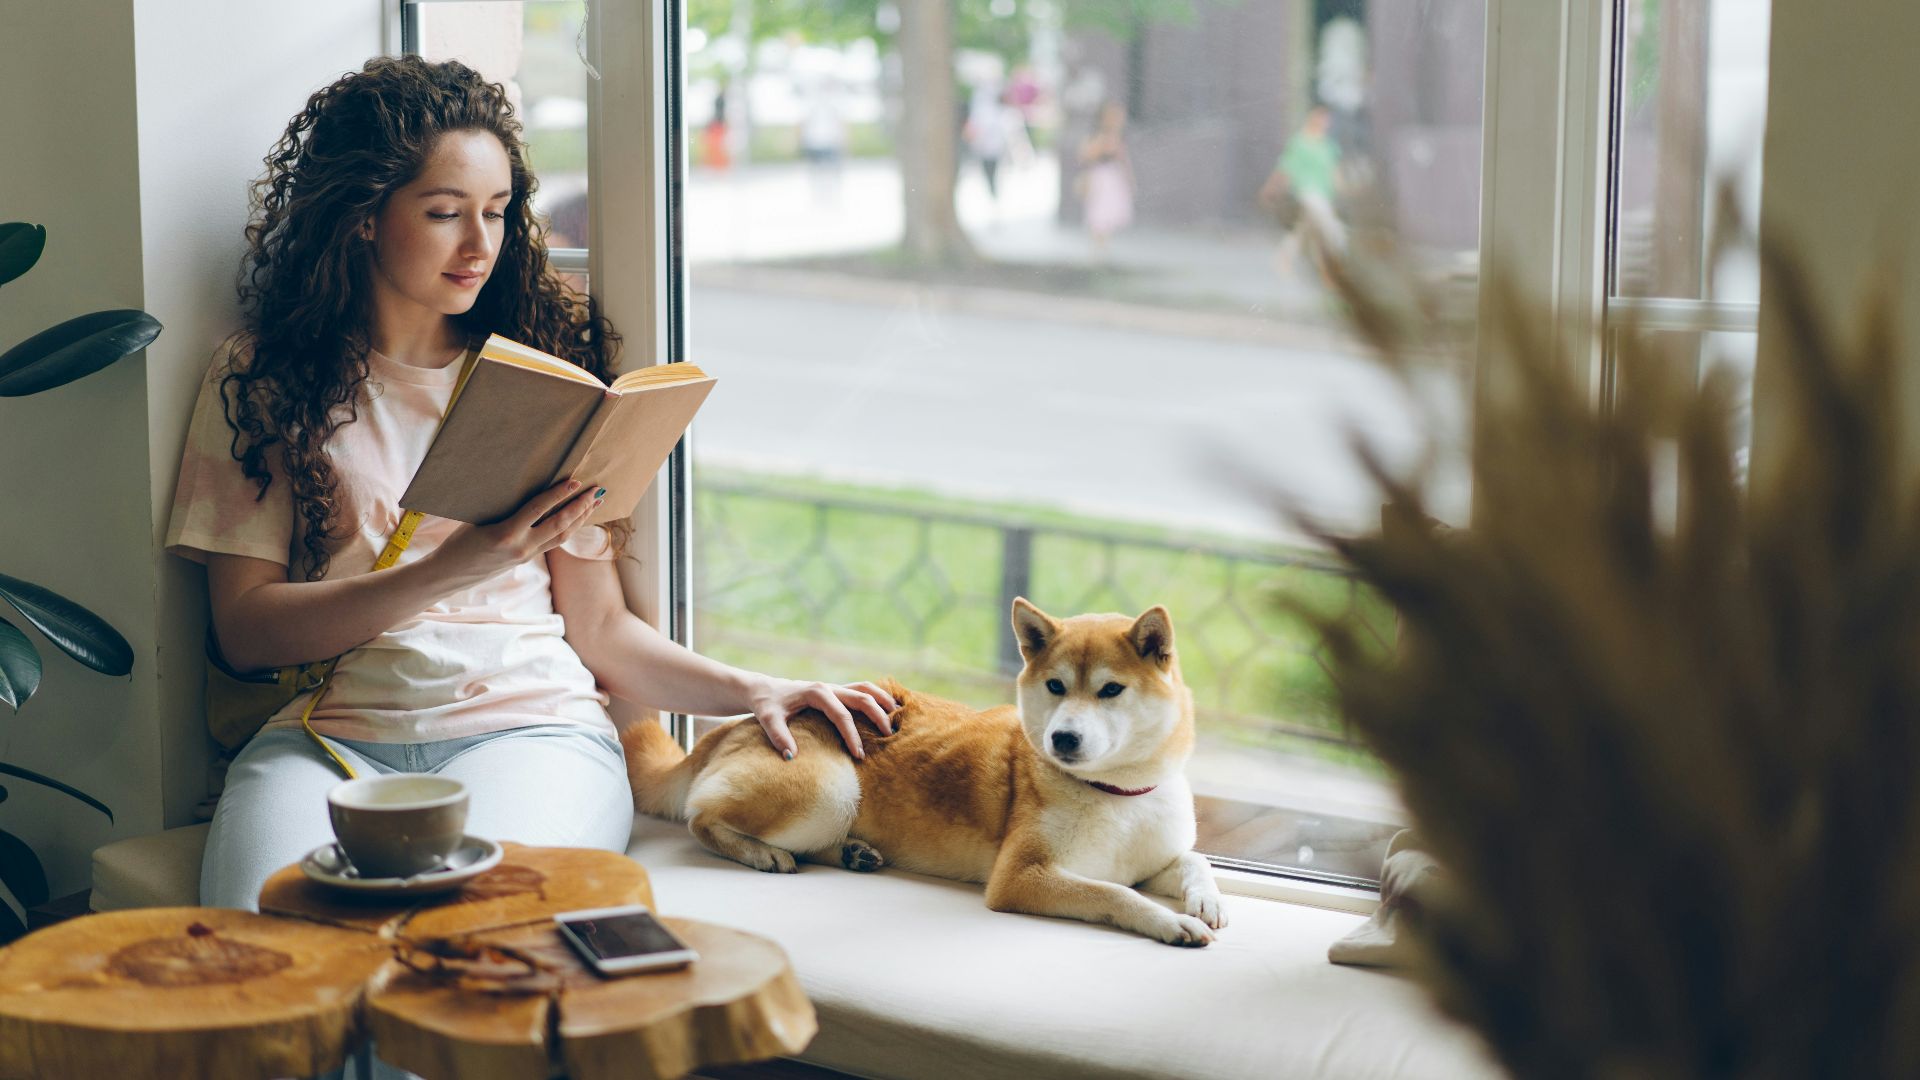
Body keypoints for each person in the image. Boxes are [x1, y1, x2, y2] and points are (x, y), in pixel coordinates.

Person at [166, 56, 895, 920]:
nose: (480, 245)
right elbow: (245, 632)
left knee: (473, 948)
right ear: (362, 217)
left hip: (533, 731)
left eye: (498, 212)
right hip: (326, 739)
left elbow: (599, 629)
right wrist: (460, 563)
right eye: (444, 214)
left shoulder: (544, 386)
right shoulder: (263, 378)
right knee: (265, 946)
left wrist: (756, 690)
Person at [1259, 104, 1347, 283]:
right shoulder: (1300, 142)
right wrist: (1270, 189)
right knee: (1330, 229)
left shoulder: (1328, 145)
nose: (1323, 122)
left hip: (1324, 194)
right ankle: (1330, 267)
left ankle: (1283, 260)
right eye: (1320, 118)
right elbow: (1285, 169)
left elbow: (1335, 172)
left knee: (1303, 231)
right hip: (1307, 194)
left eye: (1326, 120)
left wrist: (1344, 189)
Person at [1077, 100, 1134, 256]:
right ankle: (1098, 248)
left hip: (1112, 178)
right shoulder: (1098, 137)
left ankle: (1103, 247)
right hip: (1100, 178)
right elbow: (1086, 156)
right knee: (1099, 213)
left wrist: (1129, 179)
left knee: (1110, 213)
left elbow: (1124, 160)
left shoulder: (1116, 136)